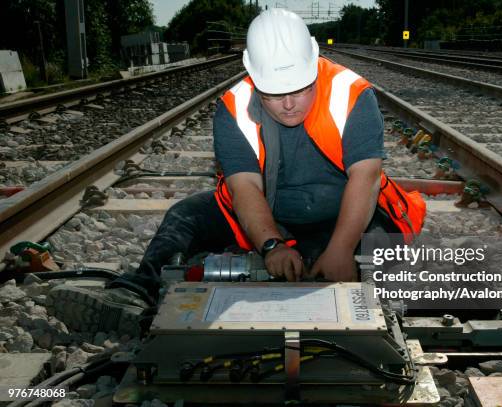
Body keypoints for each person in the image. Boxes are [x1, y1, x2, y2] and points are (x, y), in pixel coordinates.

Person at [46, 9, 426, 336]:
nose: (290, 104)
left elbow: (367, 176)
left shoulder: (353, 94)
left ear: (315, 66)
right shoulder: (233, 107)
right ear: (252, 77)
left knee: (372, 252)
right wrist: (272, 245)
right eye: (275, 93)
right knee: (186, 216)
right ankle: (134, 298)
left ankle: (387, 309)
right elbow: (243, 185)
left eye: (300, 89)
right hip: (270, 212)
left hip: (342, 214)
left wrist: (342, 249)